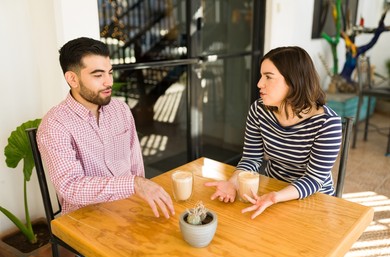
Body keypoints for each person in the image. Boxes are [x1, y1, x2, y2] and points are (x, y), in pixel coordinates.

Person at [37, 37, 175, 219]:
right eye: (98, 75)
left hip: (131, 206)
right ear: (72, 78)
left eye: (109, 72)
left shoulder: (120, 109)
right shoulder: (55, 125)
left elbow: (136, 166)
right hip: (87, 218)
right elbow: (70, 187)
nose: (108, 81)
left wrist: (138, 190)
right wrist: (133, 184)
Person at [205, 46, 342, 219]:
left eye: (268, 77)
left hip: (314, 199)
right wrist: (233, 183)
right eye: (262, 76)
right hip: (272, 187)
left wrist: (275, 197)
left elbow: (314, 179)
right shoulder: (259, 110)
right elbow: (251, 158)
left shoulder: (328, 124)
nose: (259, 84)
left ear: (294, 81)